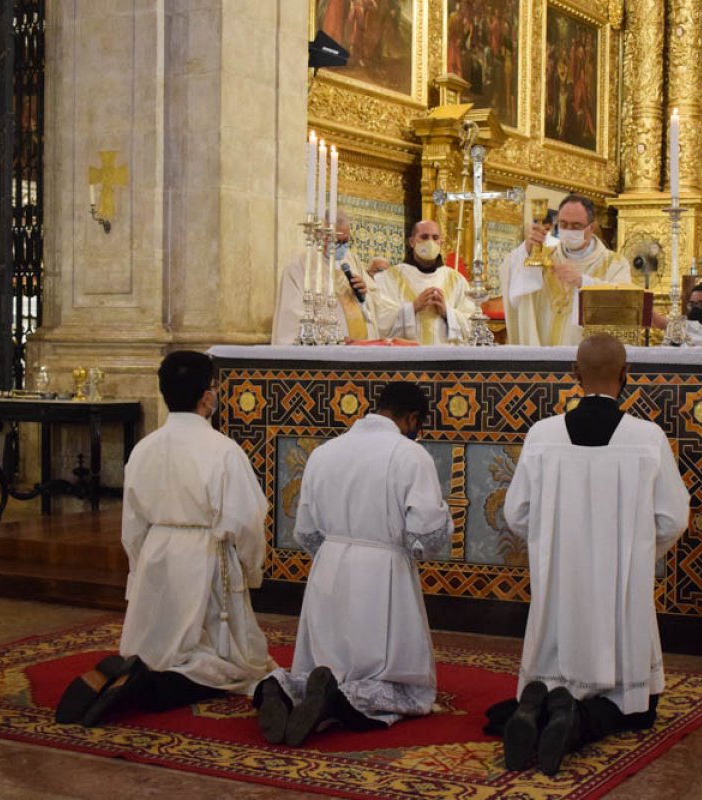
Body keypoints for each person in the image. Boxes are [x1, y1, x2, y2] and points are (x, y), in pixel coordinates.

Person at [485, 334, 691, 776]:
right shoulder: (646, 437)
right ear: (626, 375)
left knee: (532, 684)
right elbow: (673, 518)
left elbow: (515, 513)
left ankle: (542, 701)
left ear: (574, 375)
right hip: (622, 592)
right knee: (637, 713)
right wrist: (634, 550)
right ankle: (575, 720)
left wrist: (550, 542)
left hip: (559, 583)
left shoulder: (543, 435)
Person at [56, 351, 273, 726]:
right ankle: (159, 688)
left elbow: (133, 523)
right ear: (208, 396)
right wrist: (252, 570)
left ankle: (139, 673)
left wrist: (140, 572)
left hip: (157, 554)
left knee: (157, 647)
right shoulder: (223, 451)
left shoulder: (144, 448)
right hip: (205, 557)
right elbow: (248, 521)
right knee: (237, 668)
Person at [255, 382, 454, 746]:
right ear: (412, 417)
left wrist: (334, 555)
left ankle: (282, 689)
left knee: (324, 659)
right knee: (396, 684)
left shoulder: (325, 452)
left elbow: (305, 530)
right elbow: (425, 535)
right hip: (383, 571)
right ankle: (335, 699)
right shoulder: (410, 455)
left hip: (329, 565)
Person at [501, 195, 634, 346]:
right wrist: (527, 248)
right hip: (544, 359)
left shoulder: (615, 264)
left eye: (576, 226)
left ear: (592, 227)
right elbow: (508, 271)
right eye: (563, 224)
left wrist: (583, 282)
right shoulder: (543, 258)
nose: (569, 230)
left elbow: (625, 304)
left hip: (587, 361)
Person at [272, 211, 379, 344]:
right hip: (328, 350)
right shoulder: (299, 268)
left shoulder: (352, 261)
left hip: (361, 347)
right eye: (337, 240)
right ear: (320, 235)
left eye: (346, 241)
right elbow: (292, 319)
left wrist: (364, 295)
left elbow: (376, 303)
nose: (343, 247)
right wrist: (325, 338)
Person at [374, 220, 478, 344]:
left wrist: (447, 312)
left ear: (441, 243)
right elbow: (379, 319)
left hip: (445, 358)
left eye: (435, 238)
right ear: (412, 242)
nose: (430, 242)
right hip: (406, 358)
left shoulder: (457, 280)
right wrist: (412, 308)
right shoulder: (389, 278)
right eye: (424, 237)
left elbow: (472, 324)